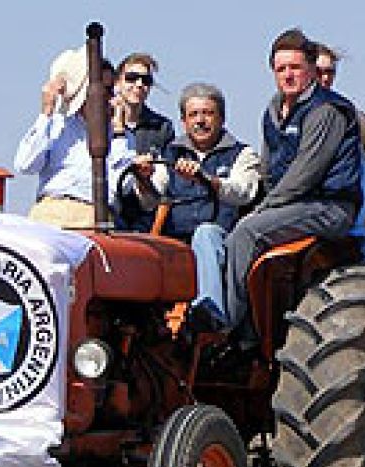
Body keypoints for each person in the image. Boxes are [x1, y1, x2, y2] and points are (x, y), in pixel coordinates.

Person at [223, 28, 362, 342]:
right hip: (291, 205)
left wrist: (262, 210)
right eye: (281, 68)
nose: (288, 75)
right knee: (215, 228)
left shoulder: (327, 111)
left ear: (312, 70)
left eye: (295, 68)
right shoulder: (273, 111)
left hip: (327, 206)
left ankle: (228, 329)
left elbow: (304, 174)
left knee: (247, 232)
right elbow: (268, 170)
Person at [134, 83, 262, 327]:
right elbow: (150, 199)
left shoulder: (241, 154)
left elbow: (244, 192)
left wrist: (208, 180)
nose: (200, 121)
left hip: (222, 240)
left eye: (208, 113)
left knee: (205, 234)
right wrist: (142, 177)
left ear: (221, 118)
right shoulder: (169, 154)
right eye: (193, 115)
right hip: (175, 242)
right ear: (183, 121)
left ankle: (209, 313)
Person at [14, 47, 134, 228]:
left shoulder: (122, 138)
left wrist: (118, 130)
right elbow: (25, 165)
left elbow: (122, 185)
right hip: (51, 211)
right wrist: (46, 113)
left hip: (93, 216)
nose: (110, 97)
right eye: (105, 90)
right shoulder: (56, 125)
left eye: (111, 91)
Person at [315, 42, 365, 224]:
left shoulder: (348, 113)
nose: (325, 78)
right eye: (320, 72)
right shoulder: (288, 113)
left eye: (330, 72)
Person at [114, 53, 175, 230]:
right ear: (118, 82)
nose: (139, 85)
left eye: (146, 80)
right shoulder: (101, 125)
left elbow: (164, 182)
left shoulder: (162, 128)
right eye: (132, 78)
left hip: (147, 217)